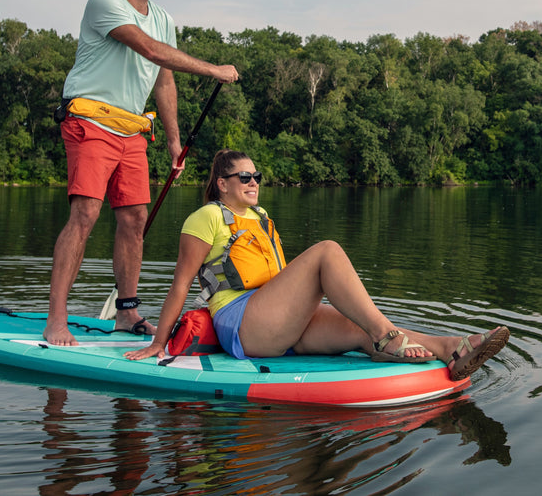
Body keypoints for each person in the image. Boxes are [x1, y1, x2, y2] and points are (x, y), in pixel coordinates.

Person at [126, 149, 510, 380]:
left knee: (359, 327)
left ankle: (454, 348)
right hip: (243, 324)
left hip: (278, 320)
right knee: (327, 250)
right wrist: (159, 344)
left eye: (256, 176)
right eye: (244, 176)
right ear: (222, 183)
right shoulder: (206, 217)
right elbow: (180, 284)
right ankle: (386, 335)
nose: (253, 181)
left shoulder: (259, 216)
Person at [44, 0, 239, 346]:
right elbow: (148, 48)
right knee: (86, 213)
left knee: (134, 219)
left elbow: (163, 78)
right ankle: (56, 320)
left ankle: (127, 312)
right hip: (91, 117)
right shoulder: (104, 1)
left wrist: (173, 141)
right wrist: (213, 70)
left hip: (132, 127)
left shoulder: (164, 18)